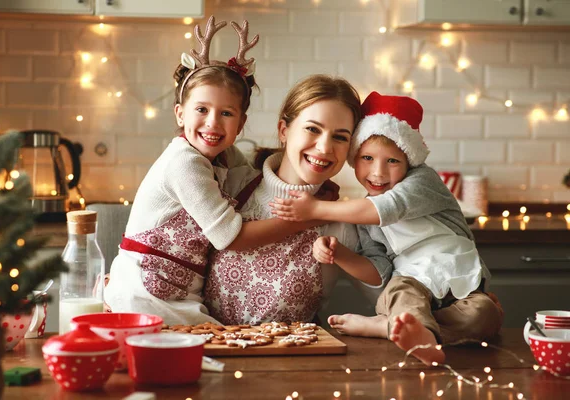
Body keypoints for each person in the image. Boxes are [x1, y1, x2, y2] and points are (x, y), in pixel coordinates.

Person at [104, 17, 318, 325]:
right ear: (180, 114)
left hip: (175, 292)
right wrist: (310, 215)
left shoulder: (224, 156)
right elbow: (231, 238)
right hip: (145, 294)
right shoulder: (184, 163)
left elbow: (254, 186)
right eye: (202, 110)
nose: (213, 123)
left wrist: (306, 184)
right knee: (219, 360)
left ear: (241, 124)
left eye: (226, 113)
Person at [269, 91, 503, 365]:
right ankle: (418, 335)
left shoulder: (423, 181)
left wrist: (314, 209)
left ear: (409, 161)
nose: (378, 172)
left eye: (392, 161)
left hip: (459, 276)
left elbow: (389, 207)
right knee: (401, 296)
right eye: (367, 158)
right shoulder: (364, 218)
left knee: (485, 315)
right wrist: (340, 254)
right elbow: (380, 271)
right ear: (354, 159)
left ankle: (387, 327)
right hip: (410, 281)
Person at [203, 74, 382, 325]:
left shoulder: (339, 225)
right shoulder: (230, 186)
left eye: (340, 137)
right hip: (209, 355)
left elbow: (384, 297)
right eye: (312, 129)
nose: (324, 148)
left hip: (289, 361)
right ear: (284, 130)